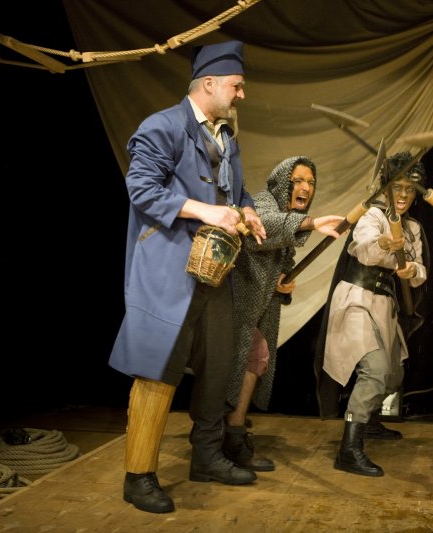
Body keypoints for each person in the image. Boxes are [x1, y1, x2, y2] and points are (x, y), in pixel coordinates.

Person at [109, 40, 268, 514]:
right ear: (209, 83)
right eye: (237, 86)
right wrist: (206, 211)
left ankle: (207, 457)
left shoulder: (226, 136)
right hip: (169, 273)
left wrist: (246, 210)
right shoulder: (162, 126)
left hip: (215, 271)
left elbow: (237, 192)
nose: (241, 95)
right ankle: (139, 475)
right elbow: (141, 189)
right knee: (158, 370)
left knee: (218, 366)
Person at [222, 156, 344, 471]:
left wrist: (282, 282)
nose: (306, 187)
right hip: (232, 306)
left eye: (311, 182)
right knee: (249, 357)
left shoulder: (289, 217)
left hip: (253, 310)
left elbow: (279, 262)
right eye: (298, 180)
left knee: (252, 359)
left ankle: (231, 432)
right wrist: (311, 223)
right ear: (282, 182)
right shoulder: (263, 203)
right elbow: (262, 227)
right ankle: (230, 437)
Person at [315, 152, 429, 477]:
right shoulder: (372, 216)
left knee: (394, 374)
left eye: (410, 189)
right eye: (398, 187)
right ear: (386, 187)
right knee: (376, 370)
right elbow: (365, 250)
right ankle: (348, 449)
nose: (404, 195)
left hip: (384, 304)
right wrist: (385, 241)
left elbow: (419, 270)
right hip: (356, 299)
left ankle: (370, 421)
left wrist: (412, 271)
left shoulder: (413, 228)